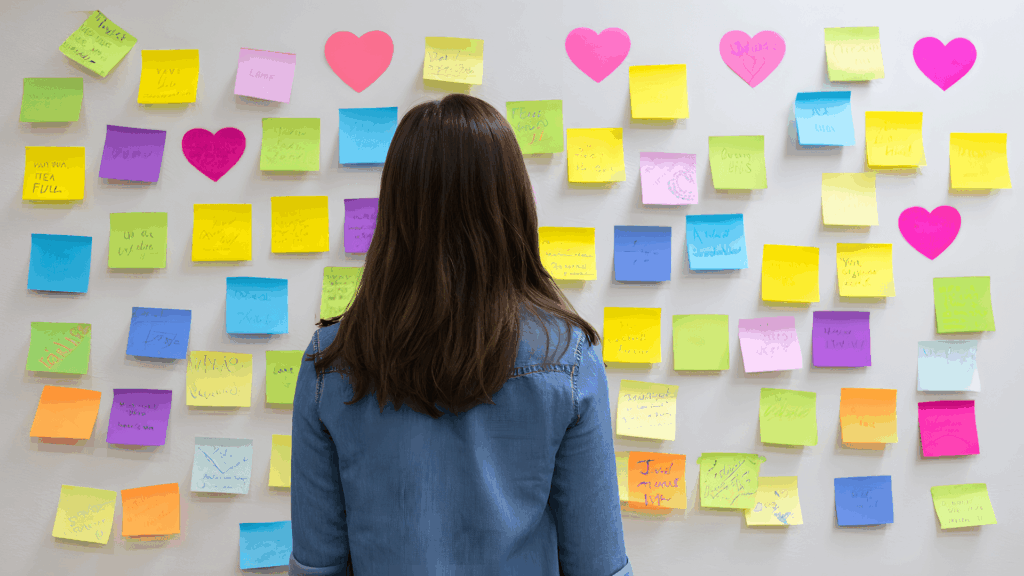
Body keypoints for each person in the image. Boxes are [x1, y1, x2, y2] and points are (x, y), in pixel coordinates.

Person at [289, 94, 631, 576]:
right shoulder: (568, 357)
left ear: (395, 209)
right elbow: (598, 566)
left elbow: (317, 567)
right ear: (513, 204)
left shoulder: (331, 360)